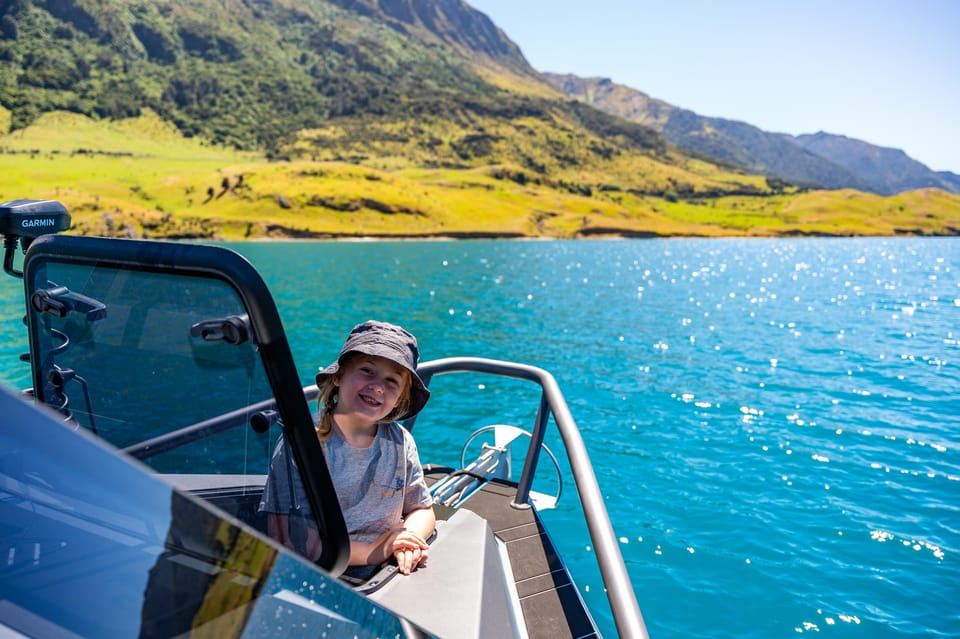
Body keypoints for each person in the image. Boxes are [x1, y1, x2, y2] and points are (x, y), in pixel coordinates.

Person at [259, 320, 435, 578]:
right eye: (367, 370)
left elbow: (421, 508)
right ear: (339, 376)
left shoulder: (401, 442)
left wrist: (409, 540)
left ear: (401, 398)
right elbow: (292, 537)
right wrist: (377, 550)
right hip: (319, 575)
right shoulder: (303, 442)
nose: (377, 386)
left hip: (385, 572)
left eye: (391, 381)